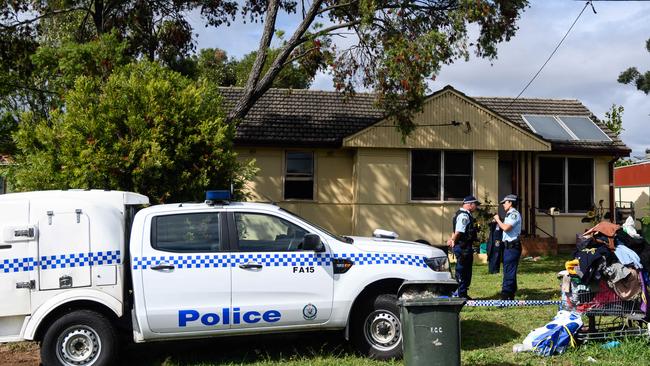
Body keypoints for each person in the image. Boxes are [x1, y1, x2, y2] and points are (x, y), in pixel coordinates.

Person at [447, 195, 480, 299]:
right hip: (463, 248)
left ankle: (463, 293)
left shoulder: (462, 214)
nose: (476, 207)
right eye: (475, 205)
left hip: (464, 247)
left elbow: (455, 231)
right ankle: (461, 295)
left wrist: (452, 240)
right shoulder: (464, 216)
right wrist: (453, 241)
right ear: (470, 205)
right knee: (462, 271)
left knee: (465, 271)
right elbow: (458, 232)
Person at [493, 194, 522, 300]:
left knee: (509, 270)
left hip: (512, 247)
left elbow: (506, 228)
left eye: (504, 202)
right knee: (509, 270)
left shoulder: (513, 214)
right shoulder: (509, 214)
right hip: (508, 247)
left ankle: (506, 295)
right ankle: (511, 293)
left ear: (510, 202)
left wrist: (498, 220)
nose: (503, 205)